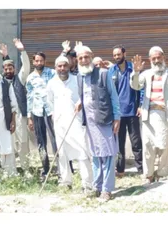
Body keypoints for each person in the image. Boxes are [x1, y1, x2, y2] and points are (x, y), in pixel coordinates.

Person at [130, 46, 168, 183]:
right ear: (150, 59)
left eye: (159, 57)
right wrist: (136, 72)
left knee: (164, 146)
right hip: (148, 115)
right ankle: (149, 174)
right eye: (154, 58)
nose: (157, 60)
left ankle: (162, 173)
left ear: (163, 57)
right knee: (147, 145)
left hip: (166, 116)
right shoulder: (145, 74)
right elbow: (135, 86)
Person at [75, 45, 121, 202]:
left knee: (108, 155)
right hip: (89, 123)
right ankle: (97, 186)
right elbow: (86, 95)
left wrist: (117, 118)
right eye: (80, 58)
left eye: (86, 57)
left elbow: (113, 96)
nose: (83, 60)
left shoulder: (103, 73)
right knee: (95, 155)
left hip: (104, 120)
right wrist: (79, 102)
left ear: (91, 57)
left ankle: (107, 190)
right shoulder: (79, 76)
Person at [47, 56, 93, 193]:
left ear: (69, 67)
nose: (62, 69)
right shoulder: (51, 83)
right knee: (62, 153)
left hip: (76, 122)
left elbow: (85, 96)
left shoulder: (77, 80)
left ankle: (87, 183)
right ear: (55, 68)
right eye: (59, 66)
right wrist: (54, 117)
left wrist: (81, 103)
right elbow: (49, 103)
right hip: (60, 123)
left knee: (83, 151)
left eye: (64, 66)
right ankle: (66, 181)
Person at [0, 38, 31, 171]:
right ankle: (9, 169)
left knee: (23, 143)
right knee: (8, 143)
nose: (8, 70)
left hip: (20, 116)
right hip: (6, 117)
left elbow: (26, 66)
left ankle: (25, 169)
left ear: (14, 69)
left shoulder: (20, 78)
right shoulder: (1, 82)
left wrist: (22, 50)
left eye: (10, 68)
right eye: (6, 68)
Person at [108, 44, 143, 177]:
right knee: (119, 143)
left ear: (124, 54)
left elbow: (141, 87)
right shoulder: (112, 71)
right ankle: (120, 169)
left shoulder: (133, 69)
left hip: (132, 112)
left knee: (136, 142)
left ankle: (140, 169)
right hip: (118, 114)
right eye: (114, 55)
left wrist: (139, 104)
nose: (117, 57)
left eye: (119, 54)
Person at [26, 51, 59, 182]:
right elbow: (29, 97)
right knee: (41, 142)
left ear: (45, 61)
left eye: (41, 61)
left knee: (55, 139)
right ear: (33, 62)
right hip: (37, 112)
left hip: (51, 112)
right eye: (36, 61)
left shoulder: (52, 73)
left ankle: (62, 167)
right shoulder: (30, 78)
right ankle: (45, 169)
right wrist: (29, 117)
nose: (39, 63)